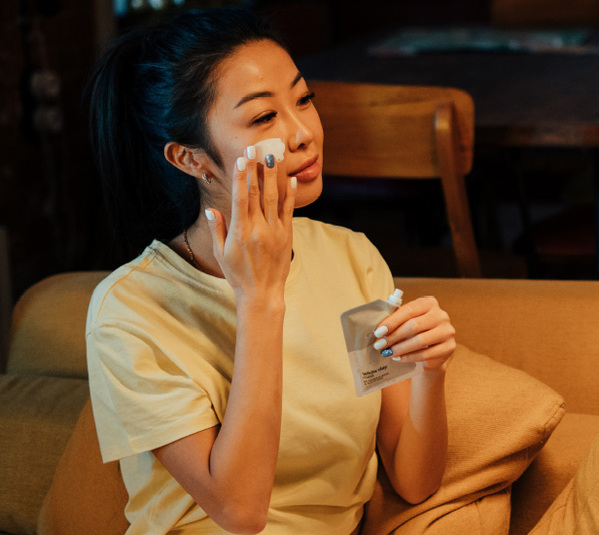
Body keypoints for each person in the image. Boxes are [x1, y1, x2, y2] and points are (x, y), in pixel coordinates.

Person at [84, 9, 456, 534]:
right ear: (191, 159)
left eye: (304, 100)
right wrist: (259, 297)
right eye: (263, 118)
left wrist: (431, 374)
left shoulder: (352, 258)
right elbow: (239, 511)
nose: (304, 133)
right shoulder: (128, 310)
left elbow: (414, 480)